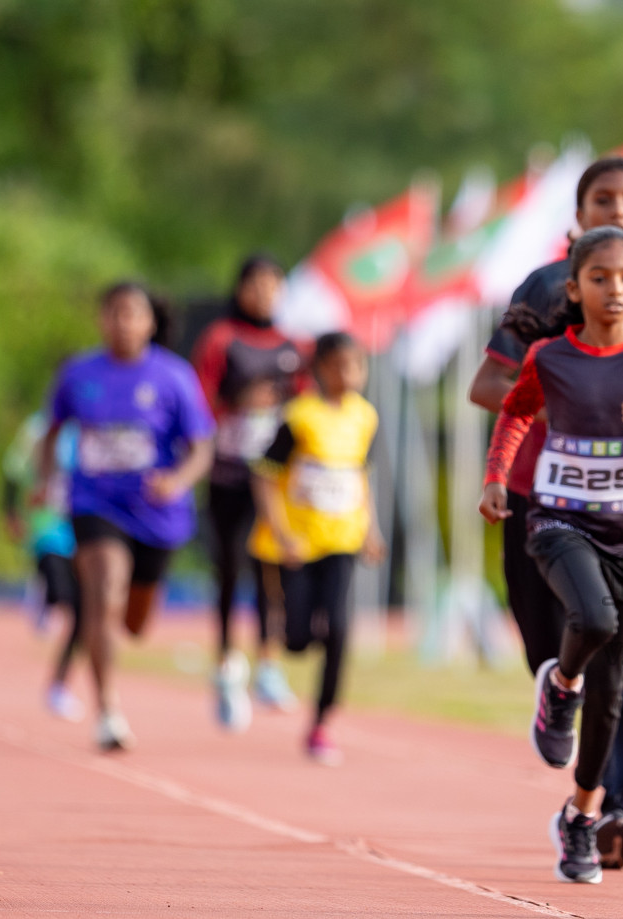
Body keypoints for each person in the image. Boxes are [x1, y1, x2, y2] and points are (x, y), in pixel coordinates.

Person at [469, 156, 623, 868]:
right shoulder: (542, 293)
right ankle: (559, 698)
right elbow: (491, 385)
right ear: (580, 214)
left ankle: (609, 806)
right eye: (603, 199)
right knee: (560, 652)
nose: (617, 209)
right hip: (543, 500)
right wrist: (572, 407)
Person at [39, 282, 216, 752]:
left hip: (156, 512)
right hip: (95, 503)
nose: (123, 323)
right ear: (102, 320)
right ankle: (109, 711)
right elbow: (51, 432)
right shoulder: (79, 374)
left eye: (133, 314)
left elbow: (201, 446)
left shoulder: (173, 377)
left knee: (134, 621)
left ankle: (124, 628)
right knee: (102, 595)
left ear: (150, 323)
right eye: (114, 313)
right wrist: (44, 480)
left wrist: (178, 480)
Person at [248, 332, 384, 766]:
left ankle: (322, 723)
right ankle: (280, 650)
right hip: (297, 544)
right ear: (322, 368)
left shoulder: (365, 417)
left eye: (357, 366)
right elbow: (266, 474)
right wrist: (281, 531)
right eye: (342, 365)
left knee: (341, 629)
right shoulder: (299, 417)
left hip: (342, 539)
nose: (351, 374)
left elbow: (359, 474)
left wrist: (371, 529)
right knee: (298, 639)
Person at [192, 254, 304, 731]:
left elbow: (303, 410)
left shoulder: (293, 345)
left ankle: (269, 665)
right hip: (228, 473)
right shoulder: (221, 339)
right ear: (239, 289)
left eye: (271, 284)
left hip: (274, 479)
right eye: (254, 284)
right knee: (230, 568)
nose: (263, 292)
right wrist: (235, 403)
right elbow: (198, 402)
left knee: (271, 570)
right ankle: (226, 662)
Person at [4, 409, 83, 720]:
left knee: (83, 613)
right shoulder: (37, 428)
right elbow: (13, 470)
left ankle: (59, 686)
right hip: (48, 522)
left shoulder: (95, 427)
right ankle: (44, 593)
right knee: (60, 591)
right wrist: (10, 512)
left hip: (85, 525)